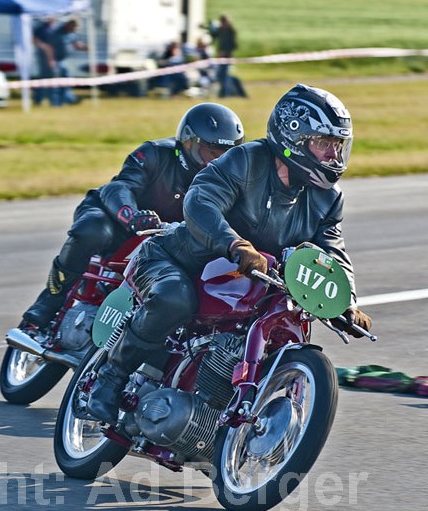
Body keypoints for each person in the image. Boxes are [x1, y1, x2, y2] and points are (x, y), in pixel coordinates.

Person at [86, 84, 373, 425]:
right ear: (294, 138)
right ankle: (109, 378)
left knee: (286, 321)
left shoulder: (329, 199)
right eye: (324, 144)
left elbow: (331, 251)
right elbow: (200, 202)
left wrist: (347, 301)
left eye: (338, 147)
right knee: (175, 299)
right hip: (179, 259)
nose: (333, 156)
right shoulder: (245, 160)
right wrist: (236, 244)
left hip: (256, 280)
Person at [21, 103, 245, 332]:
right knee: (92, 230)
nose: (213, 162)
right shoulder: (153, 153)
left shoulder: (226, 182)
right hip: (118, 219)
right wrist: (132, 217)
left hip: (165, 237)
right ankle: (49, 300)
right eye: (209, 152)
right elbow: (120, 186)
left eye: (223, 156)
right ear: (188, 142)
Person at [33, 18, 88, 107]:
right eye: (75, 28)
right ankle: (53, 103)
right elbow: (50, 48)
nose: (76, 30)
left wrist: (85, 47)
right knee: (52, 82)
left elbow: (76, 44)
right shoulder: (56, 33)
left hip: (63, 60)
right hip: (52, 60)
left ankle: (67, 100)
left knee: (65, 80)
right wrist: (51, 60)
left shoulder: (71, 34)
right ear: (69, 25)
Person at [208, 14, 247, 98]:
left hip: (227, 57)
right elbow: (213, 36)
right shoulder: (221, 31)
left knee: (224, 76)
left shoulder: (231, 32)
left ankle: (224, 94)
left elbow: (233, 45)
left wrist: (224, 52)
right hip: (221, 58)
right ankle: (229, 92)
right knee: (222, 76)